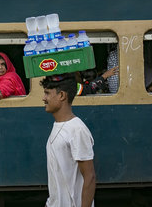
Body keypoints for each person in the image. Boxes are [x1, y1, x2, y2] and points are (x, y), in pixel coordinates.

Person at [41, 74, 96, 207]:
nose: (44, 98)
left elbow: (90, 177)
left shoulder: (76, 129)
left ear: (62, 96)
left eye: (47, 93)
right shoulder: (59, 125)